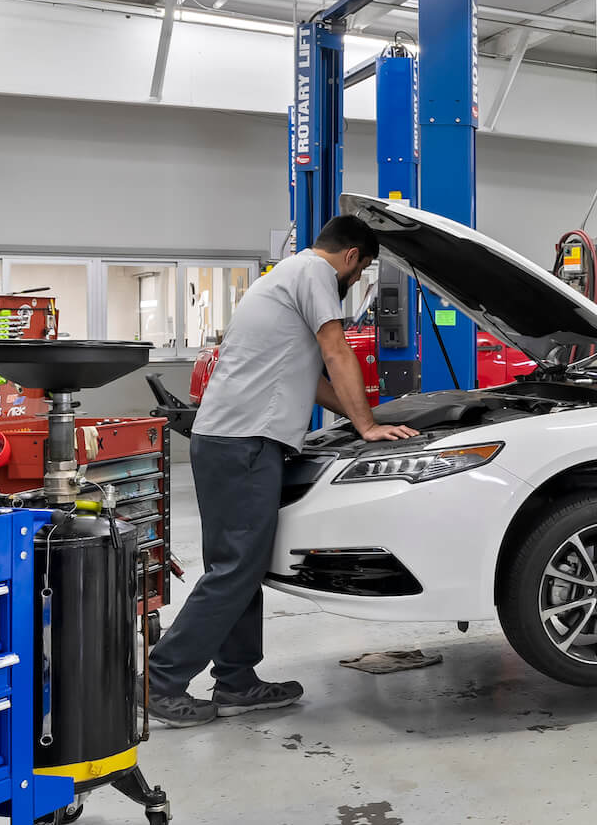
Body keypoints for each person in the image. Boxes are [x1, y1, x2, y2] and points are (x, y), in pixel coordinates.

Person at [147, 216, 417, 727]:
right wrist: (366, 426)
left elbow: (309, 379)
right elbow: (336, 352)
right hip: (244, 443)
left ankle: (237, 681)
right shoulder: (316, 275)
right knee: (234, 569)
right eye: (360, 274)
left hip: (226, 440)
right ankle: (161, 680)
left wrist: (361, 420)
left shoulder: (282, 277)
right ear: (353, 257)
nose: (355, 283)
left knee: (240, 567)